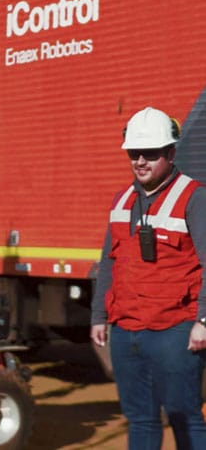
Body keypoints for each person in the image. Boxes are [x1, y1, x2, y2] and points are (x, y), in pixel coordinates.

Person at [91, 106, 206, 450]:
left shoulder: (195, 198)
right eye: (134, 153)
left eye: (151, 153)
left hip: (175, 330)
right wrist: (98, 316)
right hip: (126, 329)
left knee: (185, 415)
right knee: (140, 418)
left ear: (170, 153)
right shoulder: (122, 201)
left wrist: (203, 320)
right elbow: (108, 263)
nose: (140, 161)